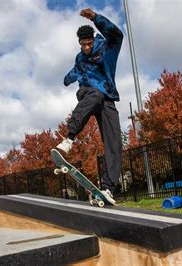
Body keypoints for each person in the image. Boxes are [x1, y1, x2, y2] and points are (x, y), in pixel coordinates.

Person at [56, 8, 123, 205]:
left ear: (93, 39)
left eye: (88, 43)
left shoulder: (106, 48)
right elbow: (75, 70)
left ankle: (109, 188)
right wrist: (66, 80)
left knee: (114, 142)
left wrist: (96, 18)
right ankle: (69, 138)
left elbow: (117, 35)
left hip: (107, 97)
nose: (86, 47)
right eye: (83, 44)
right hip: (87, 93)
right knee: (94, 93)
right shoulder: (80, 57)